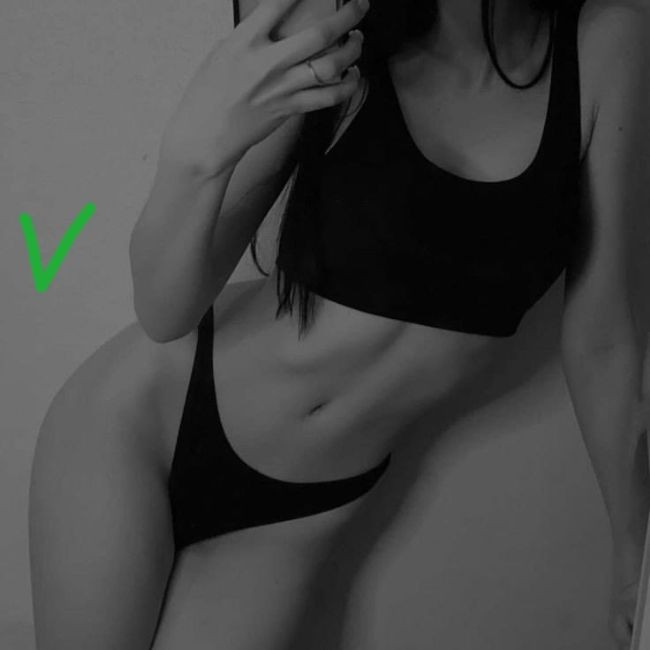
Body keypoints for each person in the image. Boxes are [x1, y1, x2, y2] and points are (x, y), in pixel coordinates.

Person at [29, 0, 650, 648]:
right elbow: (164, 312)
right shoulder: (337, 24)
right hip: (148, 420)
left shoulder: (607, 40)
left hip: (298, 513)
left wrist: (632, 547)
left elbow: (605, 337)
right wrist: (195, 154)